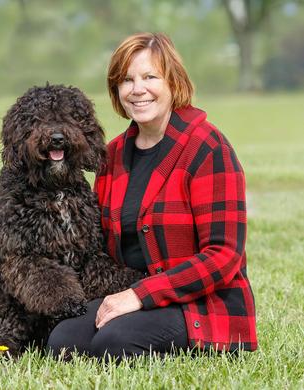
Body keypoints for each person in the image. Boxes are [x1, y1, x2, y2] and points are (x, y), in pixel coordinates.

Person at [47, 32, 257, 361]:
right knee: (64, 340)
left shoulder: (207, 147)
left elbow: (223, 256)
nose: (138, 89)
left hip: (200, 302)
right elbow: (97, 246)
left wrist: (139, 295)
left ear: (173, 81)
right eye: (127, 80)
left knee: (113, 344)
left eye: (149, 77)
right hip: (132, 295)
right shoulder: (113, 155)